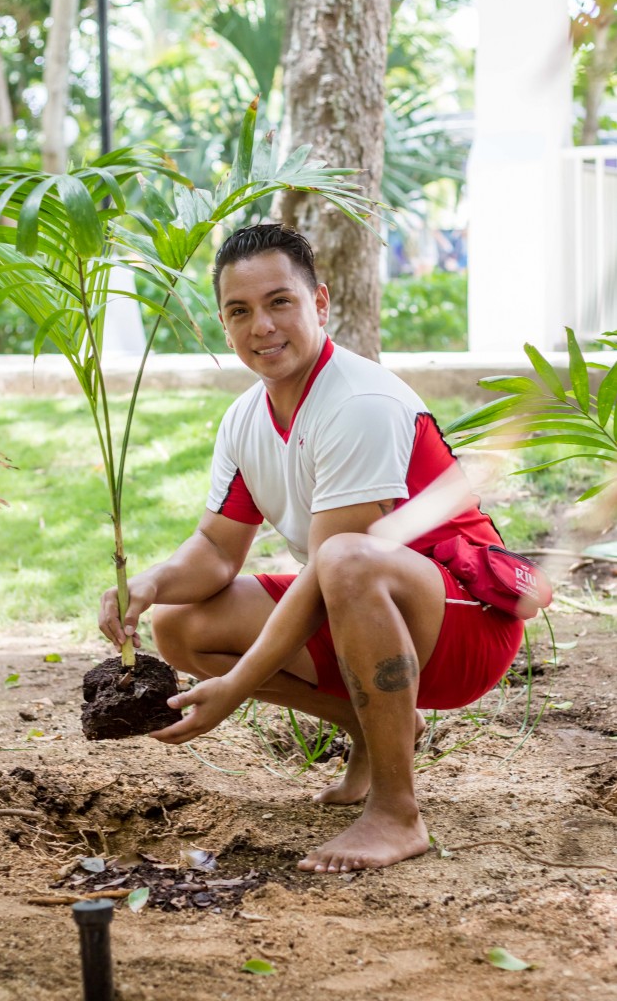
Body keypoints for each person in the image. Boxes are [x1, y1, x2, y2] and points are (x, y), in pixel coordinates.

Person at [99, 223, 524, 874]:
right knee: (181, 623)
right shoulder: (245, 416)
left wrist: (237, 685)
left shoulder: (358, 401)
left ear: (319, 304)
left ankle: (395, 812)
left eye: (279, 302)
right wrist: (150, 584)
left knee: (344, 559)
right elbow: (216, 550)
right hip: (361, 612)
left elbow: (335, 563)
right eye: (239, 311)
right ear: (223, 322)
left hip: (462, 624)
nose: (261, 325)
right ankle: (375, 728)